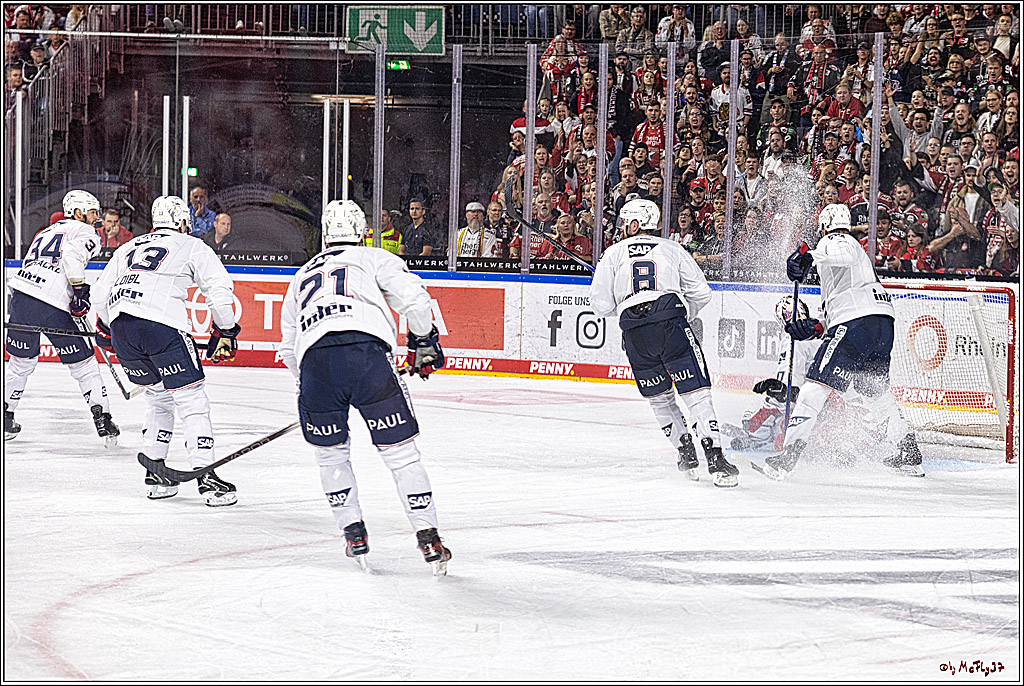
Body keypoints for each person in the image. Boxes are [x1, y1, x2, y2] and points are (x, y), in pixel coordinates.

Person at [278, 199, 452, 575]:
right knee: (401, 454)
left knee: (331, 456)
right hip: (367, 357)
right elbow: (416, 301)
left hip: (314, 364)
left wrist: (307, 385)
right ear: (363, 232)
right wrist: (423, 341)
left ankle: (353, 532)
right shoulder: (374, 258)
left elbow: (288, 346)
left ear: (325, 235)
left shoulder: (301, 275)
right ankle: (428, 535)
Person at [92, 196, 241, 505]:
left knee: (159, 397)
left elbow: (100, 294)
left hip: (123, 329)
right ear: (183, 222)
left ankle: (156, 473)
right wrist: (225, 329)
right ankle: (207, 476)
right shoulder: (192, 246)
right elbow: (218, 291)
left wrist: (108, 332)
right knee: (191, 399)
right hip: (162, 327)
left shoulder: (128, 247)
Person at [764, 204, 924, 479]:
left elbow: (843, 251)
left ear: (825, 225)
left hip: (857, 322)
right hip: (881, 324)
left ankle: (787, 457)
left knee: (815, 386)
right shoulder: (848, 267)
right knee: (873, 390)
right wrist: (813, 328)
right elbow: (833, 314)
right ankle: (908, 451)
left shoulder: (837, 240)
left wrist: (809, 257)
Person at [589, 198, 739, 487]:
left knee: (660, 398)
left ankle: (685, 453)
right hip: (671, 324)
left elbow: (600, 304)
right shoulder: (673, 248)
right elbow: (701, 293)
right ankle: (716, 458)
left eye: (624, 223)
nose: (621, 228)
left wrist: (622, 300)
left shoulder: (612, 253)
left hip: (634, 333)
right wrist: (683, 313)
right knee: (696, 394)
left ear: (634, 224)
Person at [4, 190, 120, 446]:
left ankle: (5, 415)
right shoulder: (87, 232)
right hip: (53, 302)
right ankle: (103, 417)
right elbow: (69, 256)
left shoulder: (46, 232)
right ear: (78, 213)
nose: (96, 219)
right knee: (84, 365)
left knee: (20, 363)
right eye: (92, 212)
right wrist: (79, 291)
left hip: (22, 296)